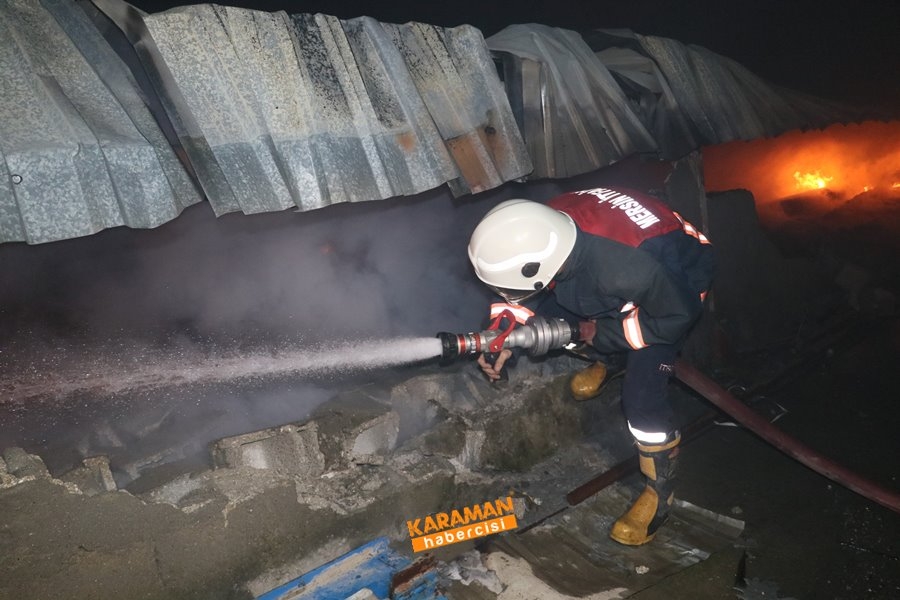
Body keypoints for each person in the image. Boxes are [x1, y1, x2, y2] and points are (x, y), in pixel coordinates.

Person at [467, 186, 715, 545]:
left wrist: (597, 333)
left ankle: (660, 494)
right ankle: (612, 362)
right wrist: (501, 331)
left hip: (675, 290)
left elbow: (677, 316)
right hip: (615, 266)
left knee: (642, 403)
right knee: (553, 325)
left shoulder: (628, 270)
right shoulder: (541, 228)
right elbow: (516, 291)